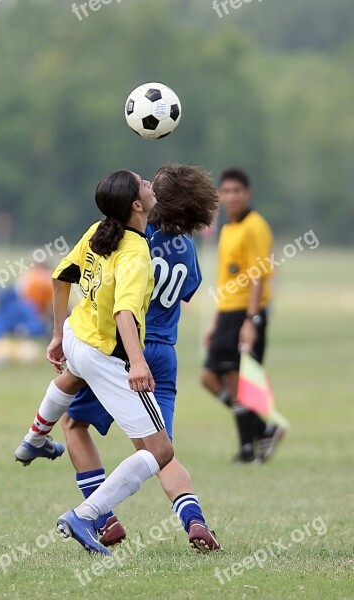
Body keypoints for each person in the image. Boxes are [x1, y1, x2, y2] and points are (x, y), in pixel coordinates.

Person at [59, 164, 221, 552]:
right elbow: (188, 291)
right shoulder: (187, 248)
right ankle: (194, 521)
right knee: (160, 452)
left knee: (71, 424)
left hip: (125, 350)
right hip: (165, 353)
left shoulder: (133, 237)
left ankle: (101, 517)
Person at [200, 168, 285, 463]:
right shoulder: (227, 229)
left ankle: (248, 448)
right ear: (220, 196)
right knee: (210, 377)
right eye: (226, 191)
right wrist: (214, 321)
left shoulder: (255, 225)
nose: (231, 196)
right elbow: (226, 279)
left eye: (237, 191)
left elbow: (258, 274)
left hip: (244, 312)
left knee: (236, 378)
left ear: (247, 193)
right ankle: (262, 429)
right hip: (226, 312)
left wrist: (252, 320)